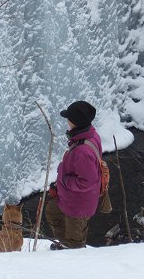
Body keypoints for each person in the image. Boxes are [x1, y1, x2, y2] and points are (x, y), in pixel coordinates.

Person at [45, 100, 102, 249]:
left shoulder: (83, 151)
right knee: (52, 212)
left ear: (75, 122)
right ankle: (66, 245)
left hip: (78, 205)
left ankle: (71, 253)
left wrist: (64, 180)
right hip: (72, 198)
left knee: (76, 243)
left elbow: (86, 182)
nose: (67, 120)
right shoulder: (90, 136)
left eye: (69, 118)